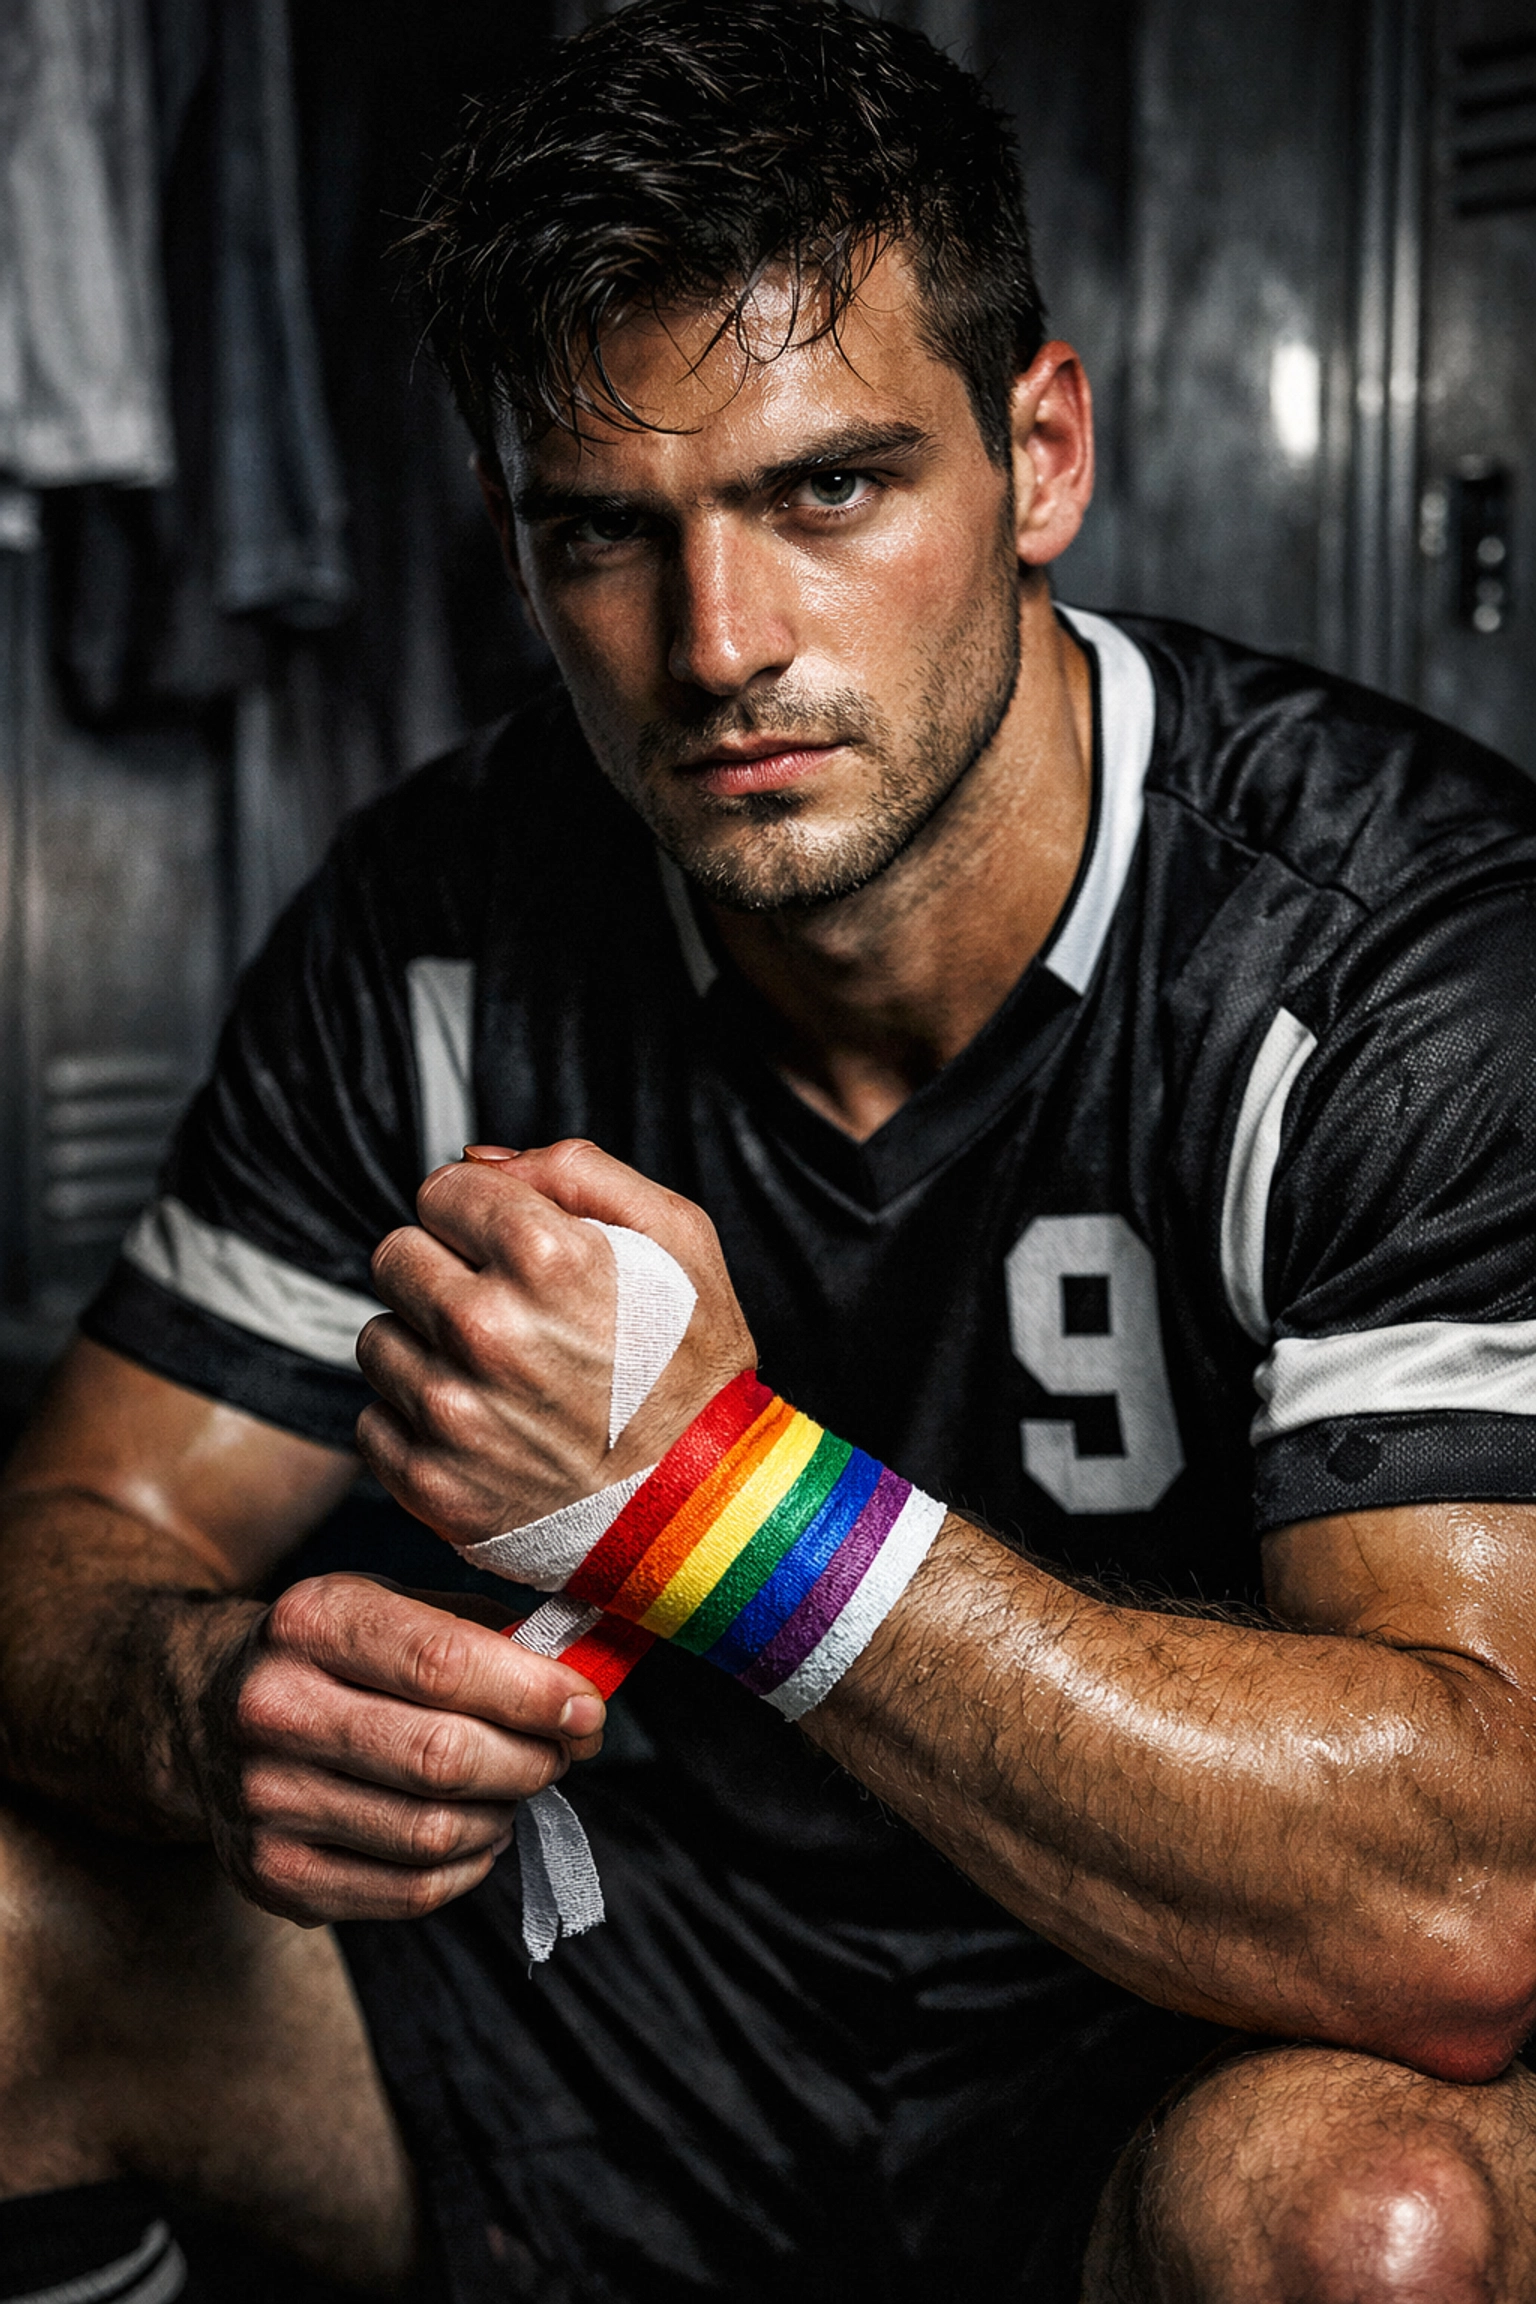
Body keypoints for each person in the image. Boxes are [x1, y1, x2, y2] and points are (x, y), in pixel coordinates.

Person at [3, 2, 1536, 2297]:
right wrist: (209, 1707)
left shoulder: (1387, 953)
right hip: (601, 1991)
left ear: (1039, 453)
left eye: (827, 489)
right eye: (604, 532)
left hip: (1138, 2022)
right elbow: (71, 1537)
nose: (717, 647)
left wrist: (714, 1501)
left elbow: (1464, 1907)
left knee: (1372, 2225)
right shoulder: (442, 918)